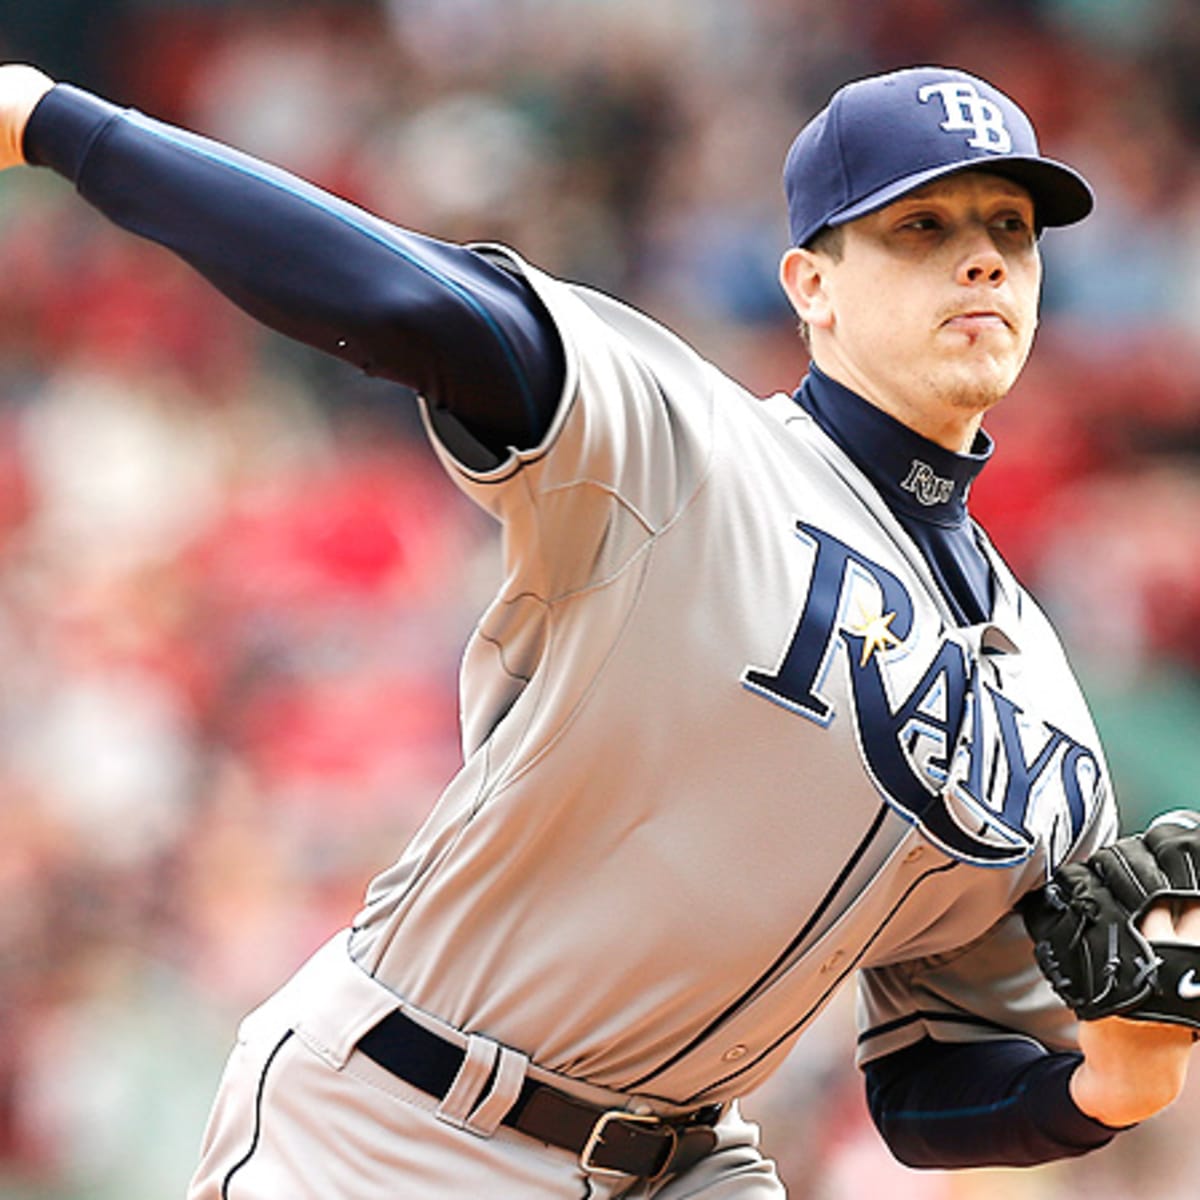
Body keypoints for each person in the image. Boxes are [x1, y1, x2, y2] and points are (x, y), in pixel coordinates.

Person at [0, 59, 1197, 1200]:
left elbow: (928, 1078)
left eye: (1009, 230)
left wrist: (1110, 1084)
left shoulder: (1044, 704)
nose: (983, 259)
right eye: (921, 227)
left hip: (686, 1161)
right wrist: (61, 122)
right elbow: (410, 298)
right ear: (811, 285)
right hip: (399, 1118)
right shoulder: (684, 448)